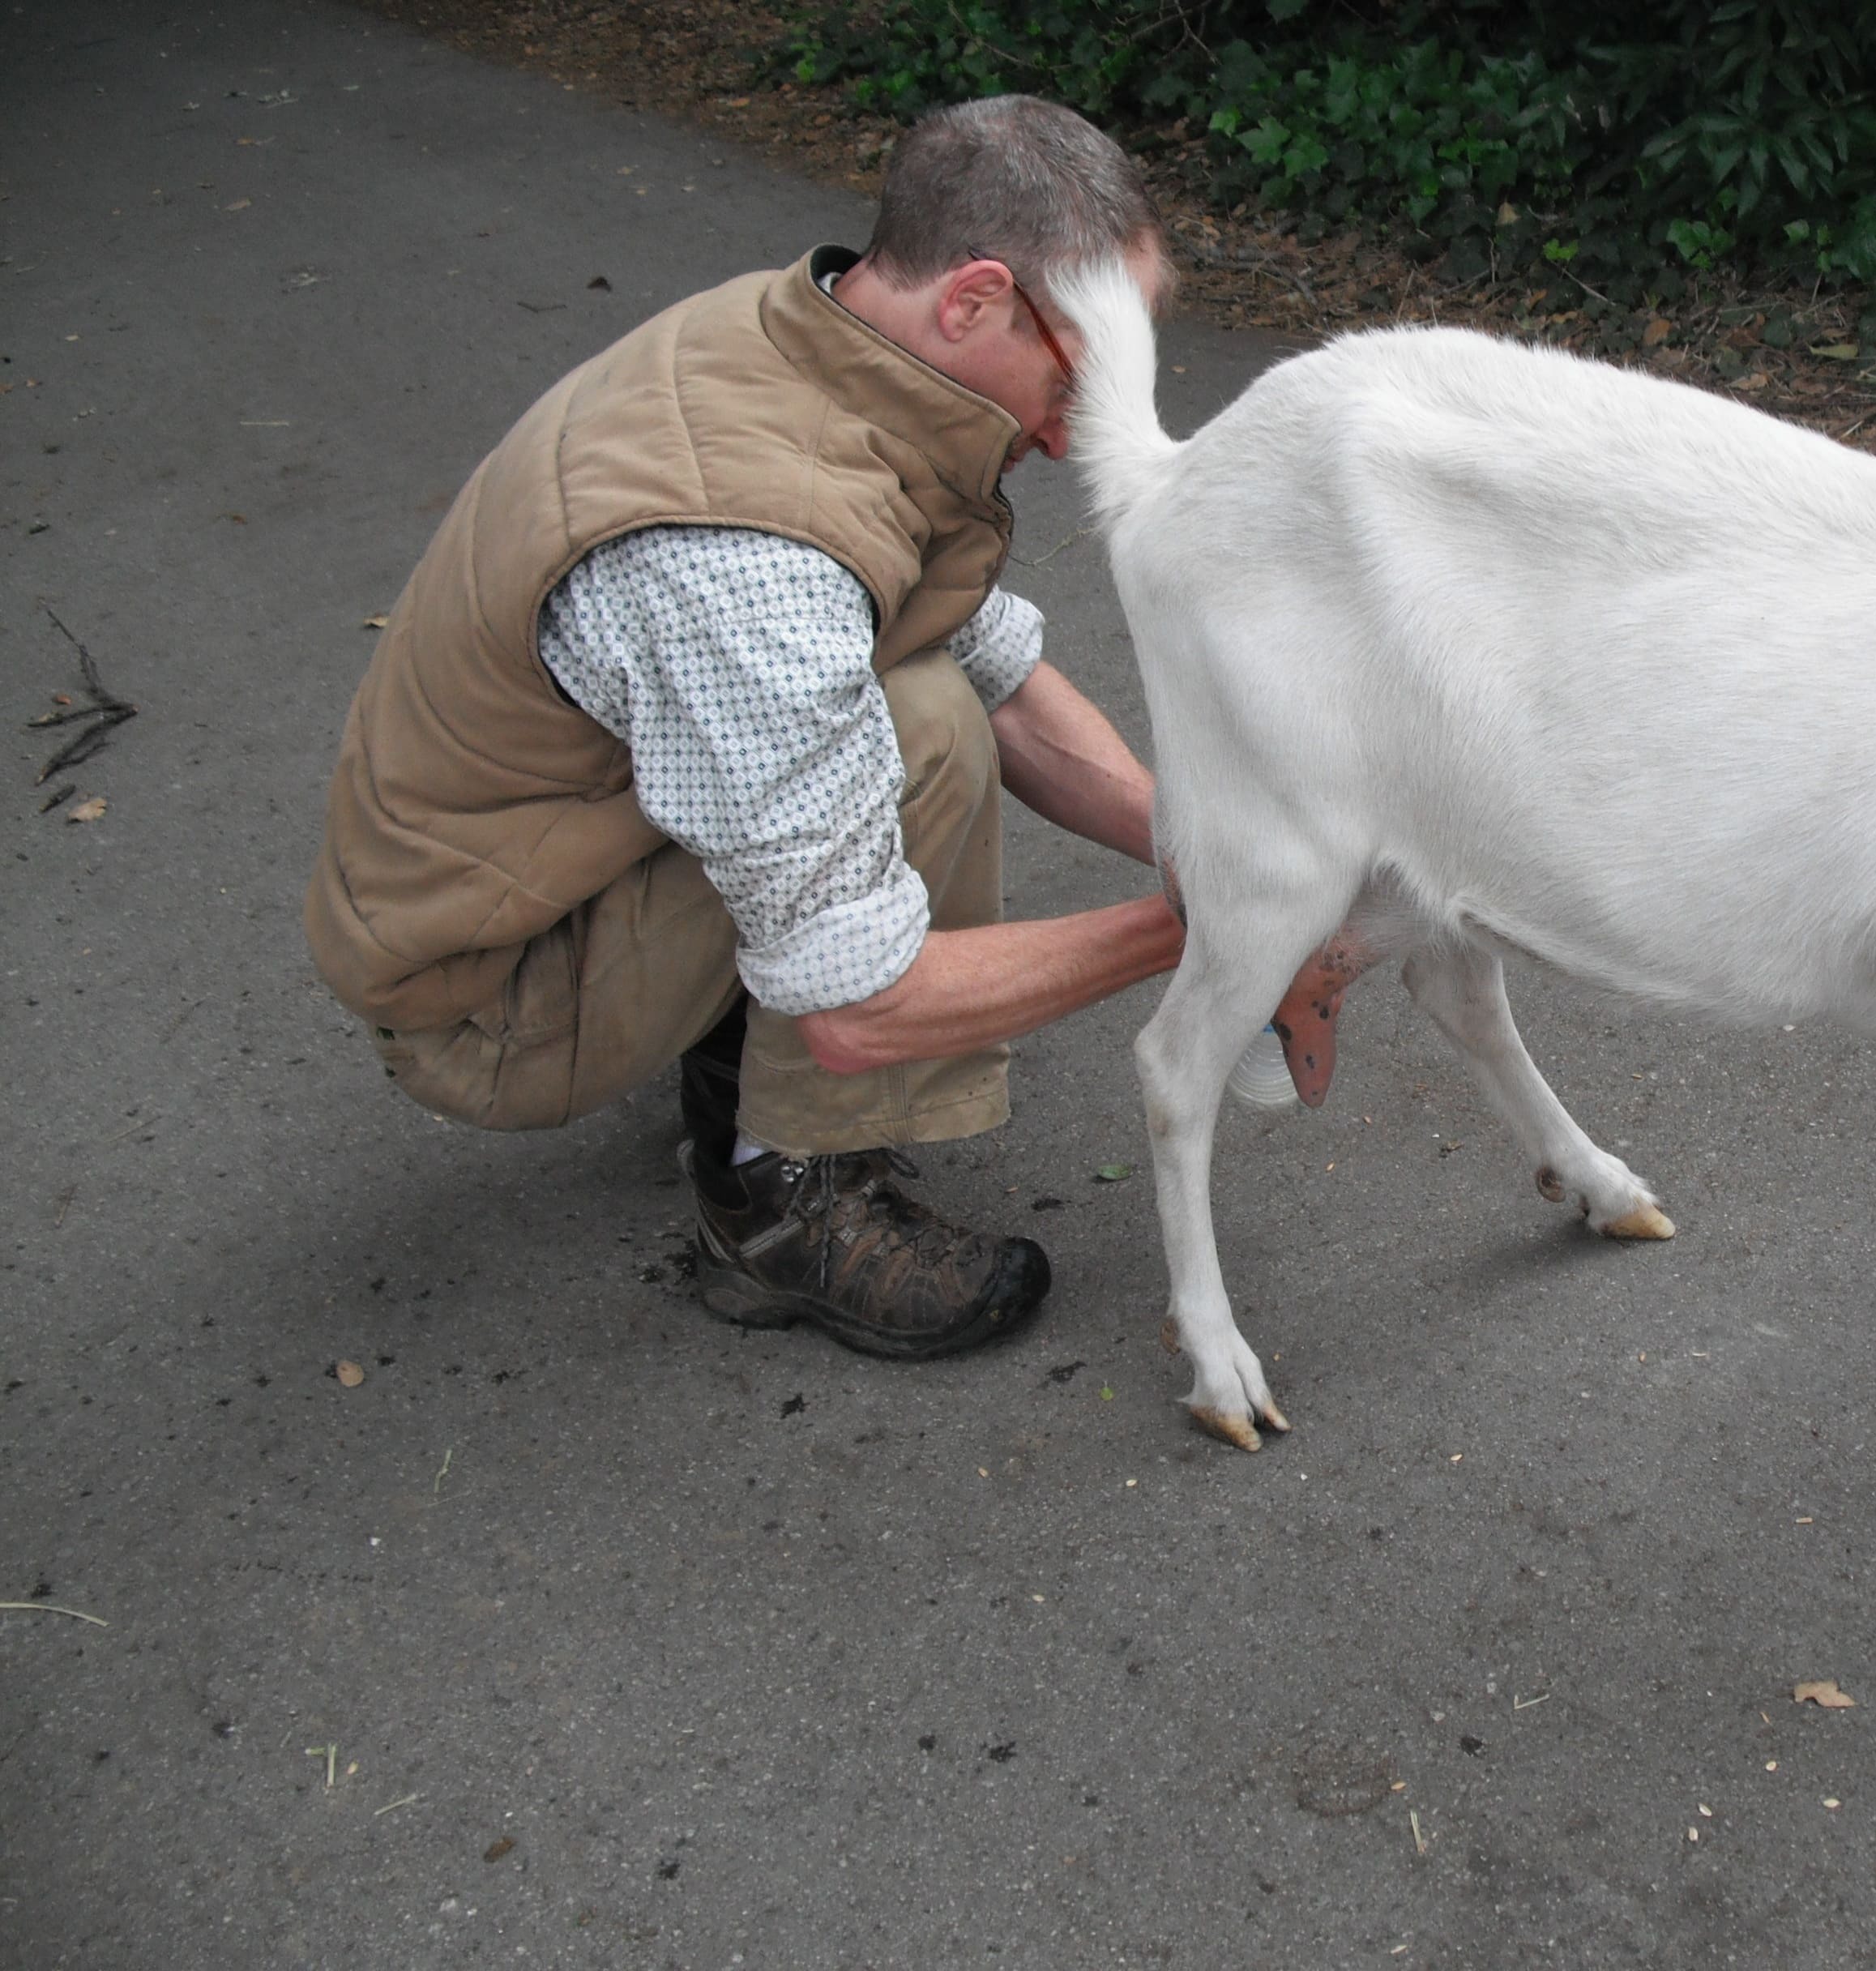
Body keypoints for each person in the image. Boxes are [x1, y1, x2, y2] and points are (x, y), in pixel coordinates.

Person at [305, 96, 1224, 1362]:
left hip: (529, 862)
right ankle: (779, 1216)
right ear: (972, 301)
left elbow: (994, 659)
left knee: (936, 700)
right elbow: (861, 1005)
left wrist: (1201, 843)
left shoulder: (809, 335)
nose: (1076, 437)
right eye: (1081, 378)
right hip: (488, 989)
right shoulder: (752, 562)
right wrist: (1213, 924)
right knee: (925, 738)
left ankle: (733, 1035)